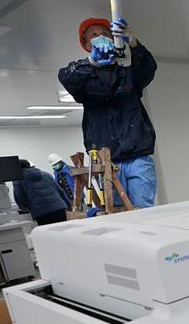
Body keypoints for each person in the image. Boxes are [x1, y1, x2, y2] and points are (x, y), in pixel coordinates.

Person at [58, 17, 157, 208]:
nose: (100, 38)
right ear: (87, 44)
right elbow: (66, 77)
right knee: (115, 211)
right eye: (94, 36)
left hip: (138, 154)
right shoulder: (84, 78)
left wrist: (134, 43)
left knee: (144, 210)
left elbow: (147, 69)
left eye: (104, 34)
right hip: (106, 161)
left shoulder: (127, 73)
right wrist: (92, 62)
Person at [13, 160, 71, 226]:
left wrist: (24, 208)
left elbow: (19, 197)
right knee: (64, 231)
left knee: (48, 234)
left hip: (42, 212)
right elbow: (60, 191)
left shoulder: (18, 180)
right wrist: (68, 205)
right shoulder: (46, 174)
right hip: (59, 209)